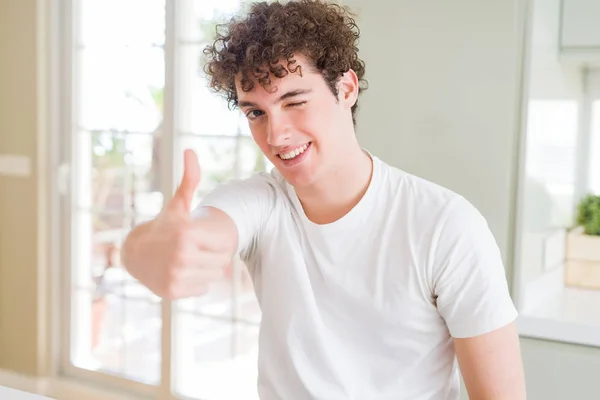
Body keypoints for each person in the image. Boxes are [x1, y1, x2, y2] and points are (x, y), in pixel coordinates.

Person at [121, 1, 526, 399]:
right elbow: (202, 230)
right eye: (256, 113)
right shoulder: (262, 203)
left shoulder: (445, 226)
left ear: (346, 88)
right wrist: (147, 251)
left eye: (294, 102)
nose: (276, 135)